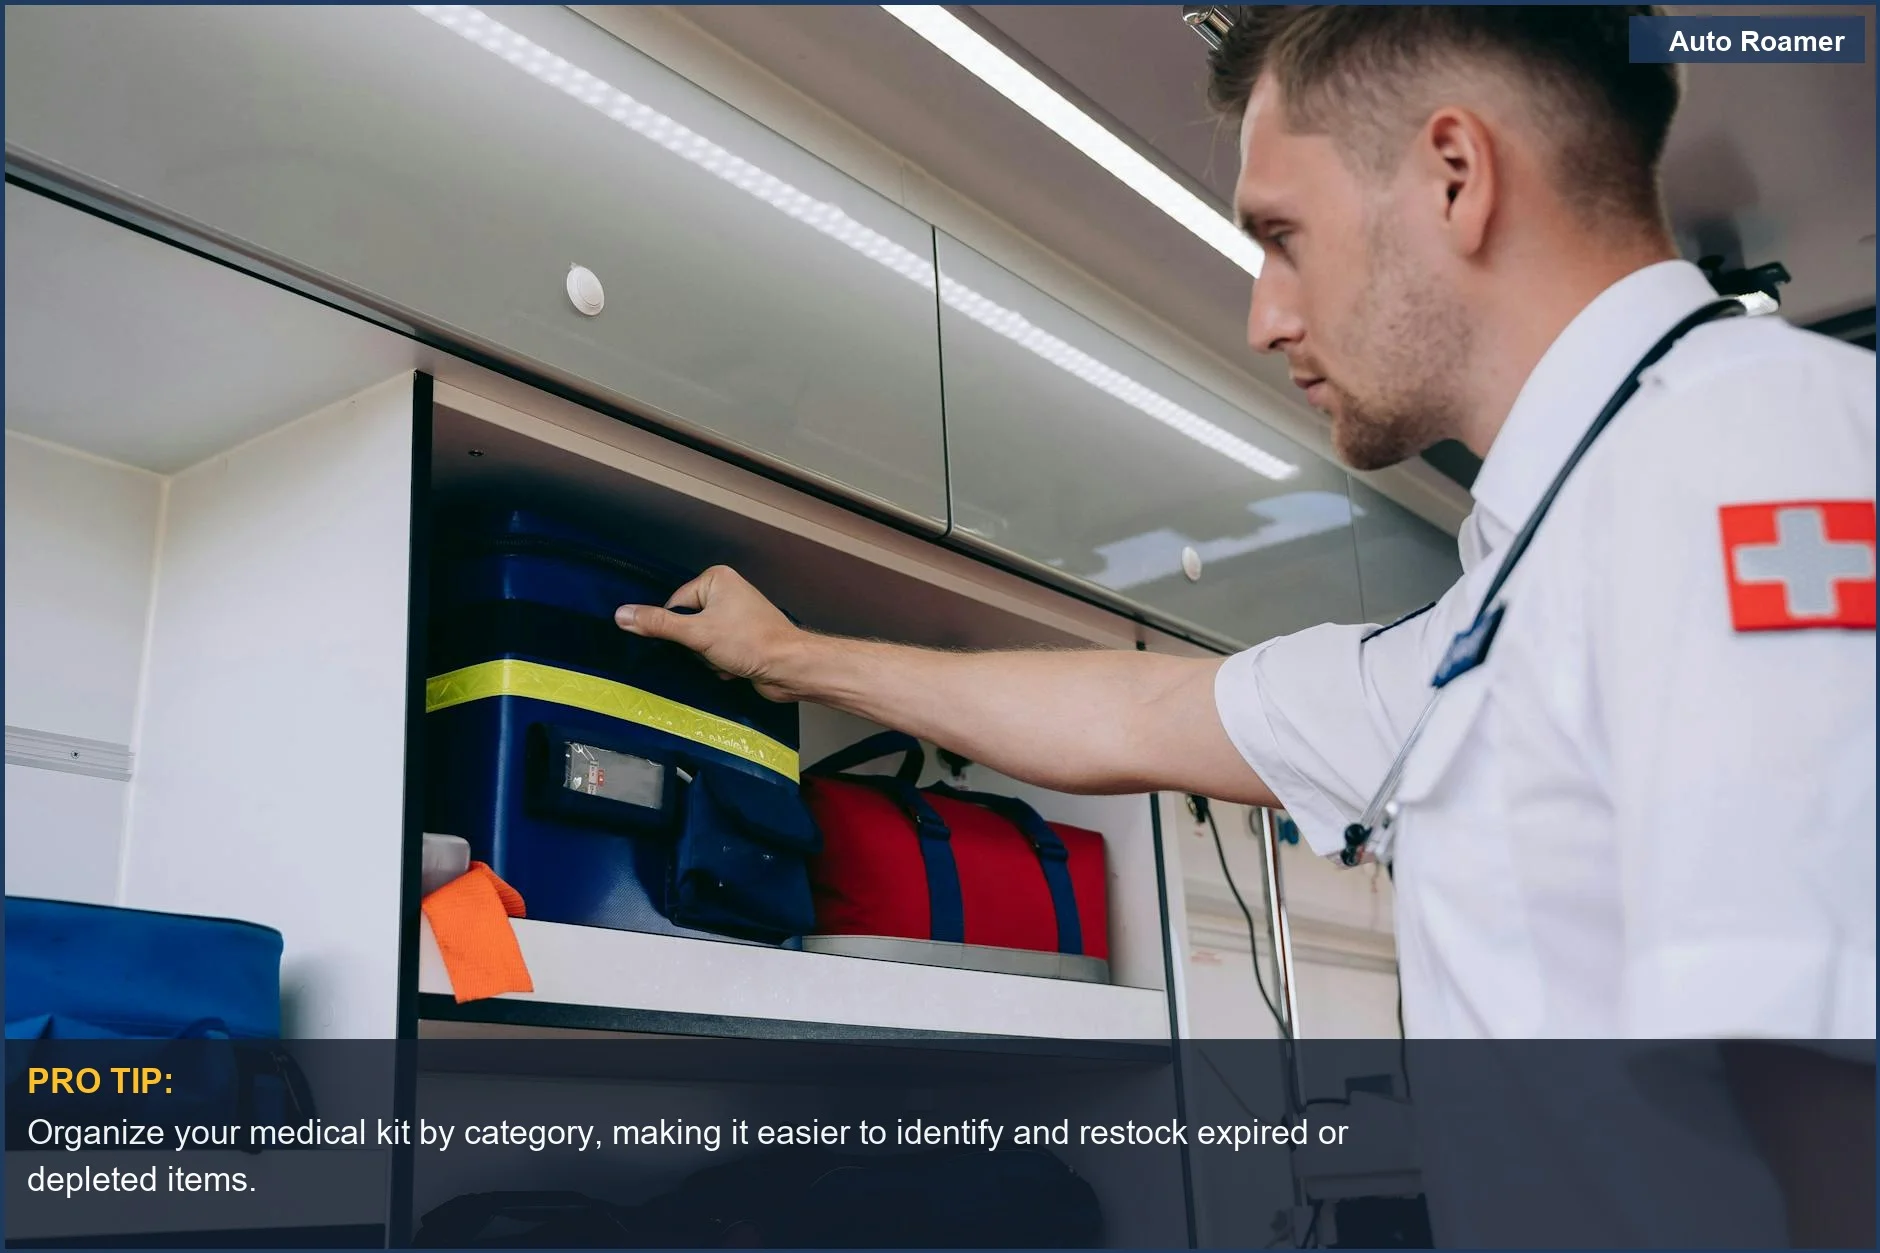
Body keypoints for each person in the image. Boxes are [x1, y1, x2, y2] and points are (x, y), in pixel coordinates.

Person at [614, 7, 1874, 1243]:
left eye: (1281, 234)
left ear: (1453, 174)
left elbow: (1829, 1091)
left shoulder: (1739, 449)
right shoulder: (1508, 595)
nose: (1264, 315)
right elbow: (1141, 709)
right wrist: (785, 656)